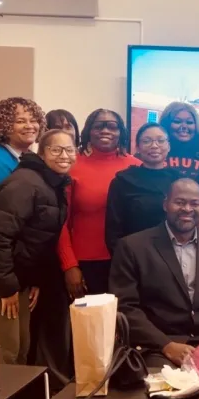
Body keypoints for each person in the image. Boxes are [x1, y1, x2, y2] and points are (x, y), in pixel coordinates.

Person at [0, 130, 75, 369]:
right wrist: (6, 287)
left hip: (16, 273)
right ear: (41, 153)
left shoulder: (53, 183)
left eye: (69, 150)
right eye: (56, 150)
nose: (64, 155)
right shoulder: (26, 183)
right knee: (6, 350)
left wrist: (34, 279)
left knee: (22, 347)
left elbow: (40, 241)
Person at [109, 178, 199, 367]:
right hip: (157, 346)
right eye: (179, 202)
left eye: (194, 203)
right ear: (165, 204)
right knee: (169, 384)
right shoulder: (133, 247)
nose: (187, 209)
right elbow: (125, 307)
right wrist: (166, 345)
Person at [58, 110, 139, 298]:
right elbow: (61, 222)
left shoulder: (136, 167)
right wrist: (69, 265)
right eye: (98, 126)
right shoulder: (71, 166)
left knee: (127, 317)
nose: (105, 131)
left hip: (129, 262)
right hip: (85, 264)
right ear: (88, 131)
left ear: (121, 132)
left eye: (112, 126)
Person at [105, 123, 181, 254]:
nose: (154, 146)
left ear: (168, 146)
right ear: (137, 148)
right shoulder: (123, 181)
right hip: (135, 255)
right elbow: (113, 231)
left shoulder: (179, 180)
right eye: (147, 141)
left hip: (175, 253)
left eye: (160, 140)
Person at [0, 97, 46, 223]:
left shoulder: (30, 158)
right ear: (4, 126)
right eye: (20, 121)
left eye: (33, 120)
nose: (29, 126)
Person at [159, 101, 199, 179]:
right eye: (177, 121)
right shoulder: (156, 150)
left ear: (196, 125)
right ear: (166, 124)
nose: (184, 126)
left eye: (189, 122)